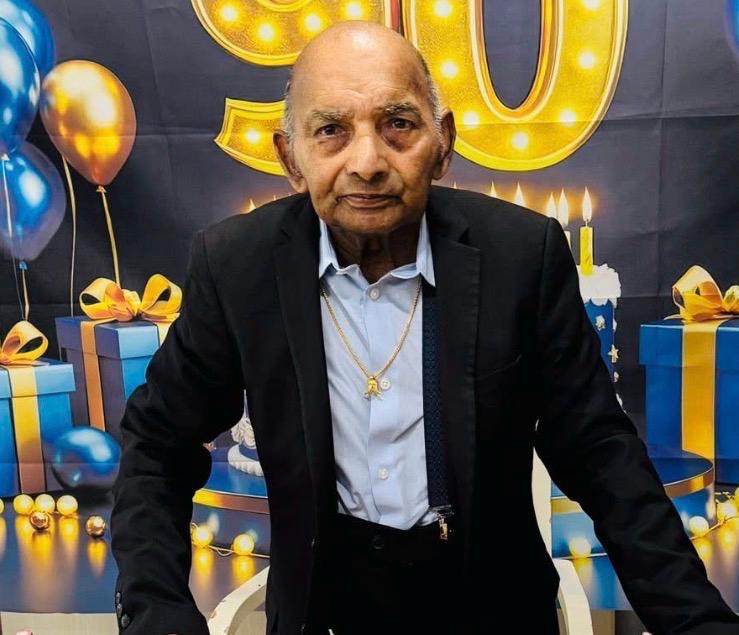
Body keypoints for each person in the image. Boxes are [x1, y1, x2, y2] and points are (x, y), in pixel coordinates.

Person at [110, 20, 739, 635]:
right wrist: (158, 613)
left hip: (493, 611)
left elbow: (600, 453)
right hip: (323, 613)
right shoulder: (235, 266)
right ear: (290, 158)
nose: (367, 162)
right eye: (330, 131)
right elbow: (159, 445)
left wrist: (696, 620)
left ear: (443, 143)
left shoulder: (522, 255)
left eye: (398, 125)